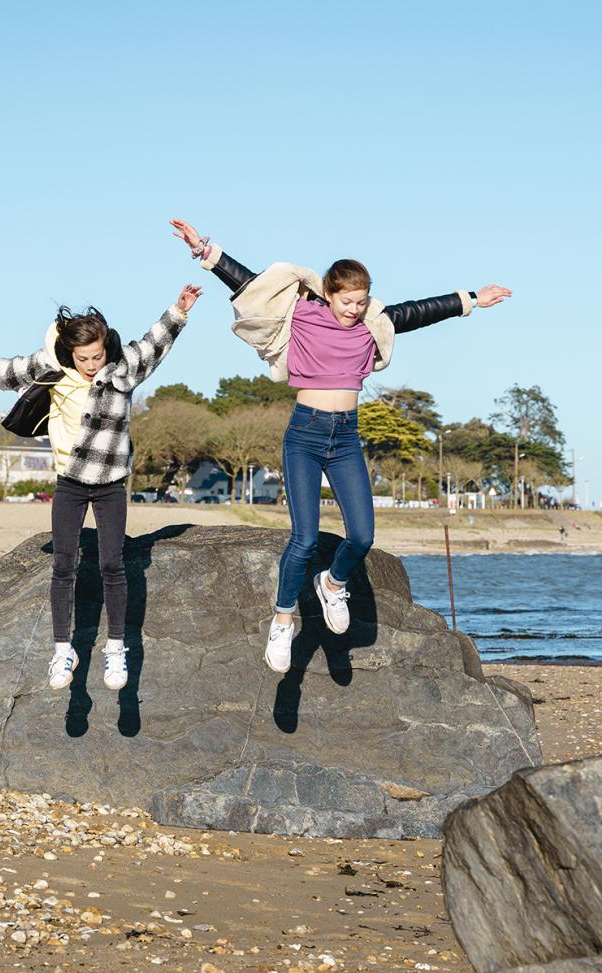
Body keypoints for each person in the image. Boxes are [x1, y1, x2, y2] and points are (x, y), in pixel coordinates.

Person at [172, 218, 512, 674]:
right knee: (305, 537)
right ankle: (283, 618)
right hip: (305, 434)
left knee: (362, 536)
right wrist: (206, 250)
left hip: (346, 438)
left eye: (361, 301)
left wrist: (472, 299)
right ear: (328, 294)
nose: (354, 309)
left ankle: (332, 584)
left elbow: (418, 311)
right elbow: (250, 282)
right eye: (347, 301)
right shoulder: (304, 314)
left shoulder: (372, 322)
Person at [0, 284, 202, 690]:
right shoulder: (51, 368)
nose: (92, 365)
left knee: (112, 564)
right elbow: (7, 371)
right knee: (63, 565)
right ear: (70, 354)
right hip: (70, 483)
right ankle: (62, 650)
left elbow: (153, 345)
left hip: (110, 483)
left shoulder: (122, 367)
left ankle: (115, 649)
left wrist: (178, 312)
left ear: (106, 347)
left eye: (97, 356)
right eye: (84, 359)